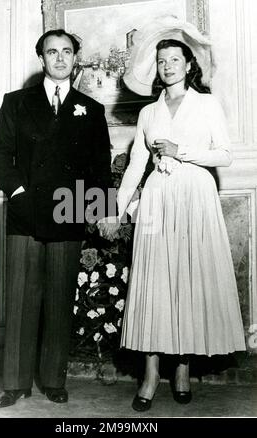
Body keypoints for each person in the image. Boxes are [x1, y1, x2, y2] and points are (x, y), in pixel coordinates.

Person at [98, 17, 245, 411]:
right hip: (158, 200)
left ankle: (182, 369)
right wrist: (116, 211)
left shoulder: (207, 103)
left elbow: (225, 155)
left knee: (187, 280)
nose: (167, 67)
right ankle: (149, 375)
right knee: (154, 285)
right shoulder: (149, 113)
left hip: (196, 198)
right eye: (162, 61)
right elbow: (134, 168)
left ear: (188, 64)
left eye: (174, 60)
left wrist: (182, 151)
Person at [0, 29, 114, 408]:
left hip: (69, 211)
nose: (59, 58)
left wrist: (103, 209)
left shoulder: (90, 110)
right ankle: (14, 383)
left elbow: (99, 167)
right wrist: (18, 194)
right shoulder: (16, 102)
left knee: (60, 300)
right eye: (51, 52)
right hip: (26, 213)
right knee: (22, 300)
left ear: (75, 58)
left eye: (66, 52)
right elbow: (1, 156)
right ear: (41, 58)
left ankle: (53, 379)